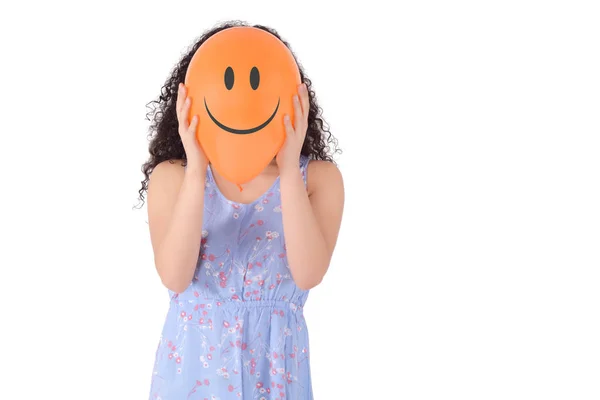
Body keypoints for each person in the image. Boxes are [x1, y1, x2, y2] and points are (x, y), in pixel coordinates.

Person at [138, 21, 344, 400]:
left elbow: (309, 272)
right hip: (191, 373)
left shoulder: (317, 179)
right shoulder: (173, 177)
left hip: (277, 373)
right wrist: (198, 167)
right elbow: (175, 277)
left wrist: (286, 169)